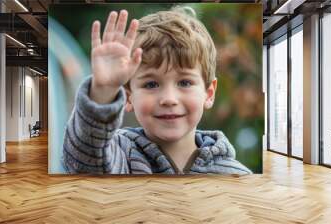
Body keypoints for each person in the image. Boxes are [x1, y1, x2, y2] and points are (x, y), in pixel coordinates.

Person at [62, 6, 252, 175]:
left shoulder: (235, 175)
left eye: (184, 82)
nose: (169, 99)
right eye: (151, 84)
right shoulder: (118, 155)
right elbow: (81, 160)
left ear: (209, 94)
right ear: (128, 97)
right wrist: (103, 91)